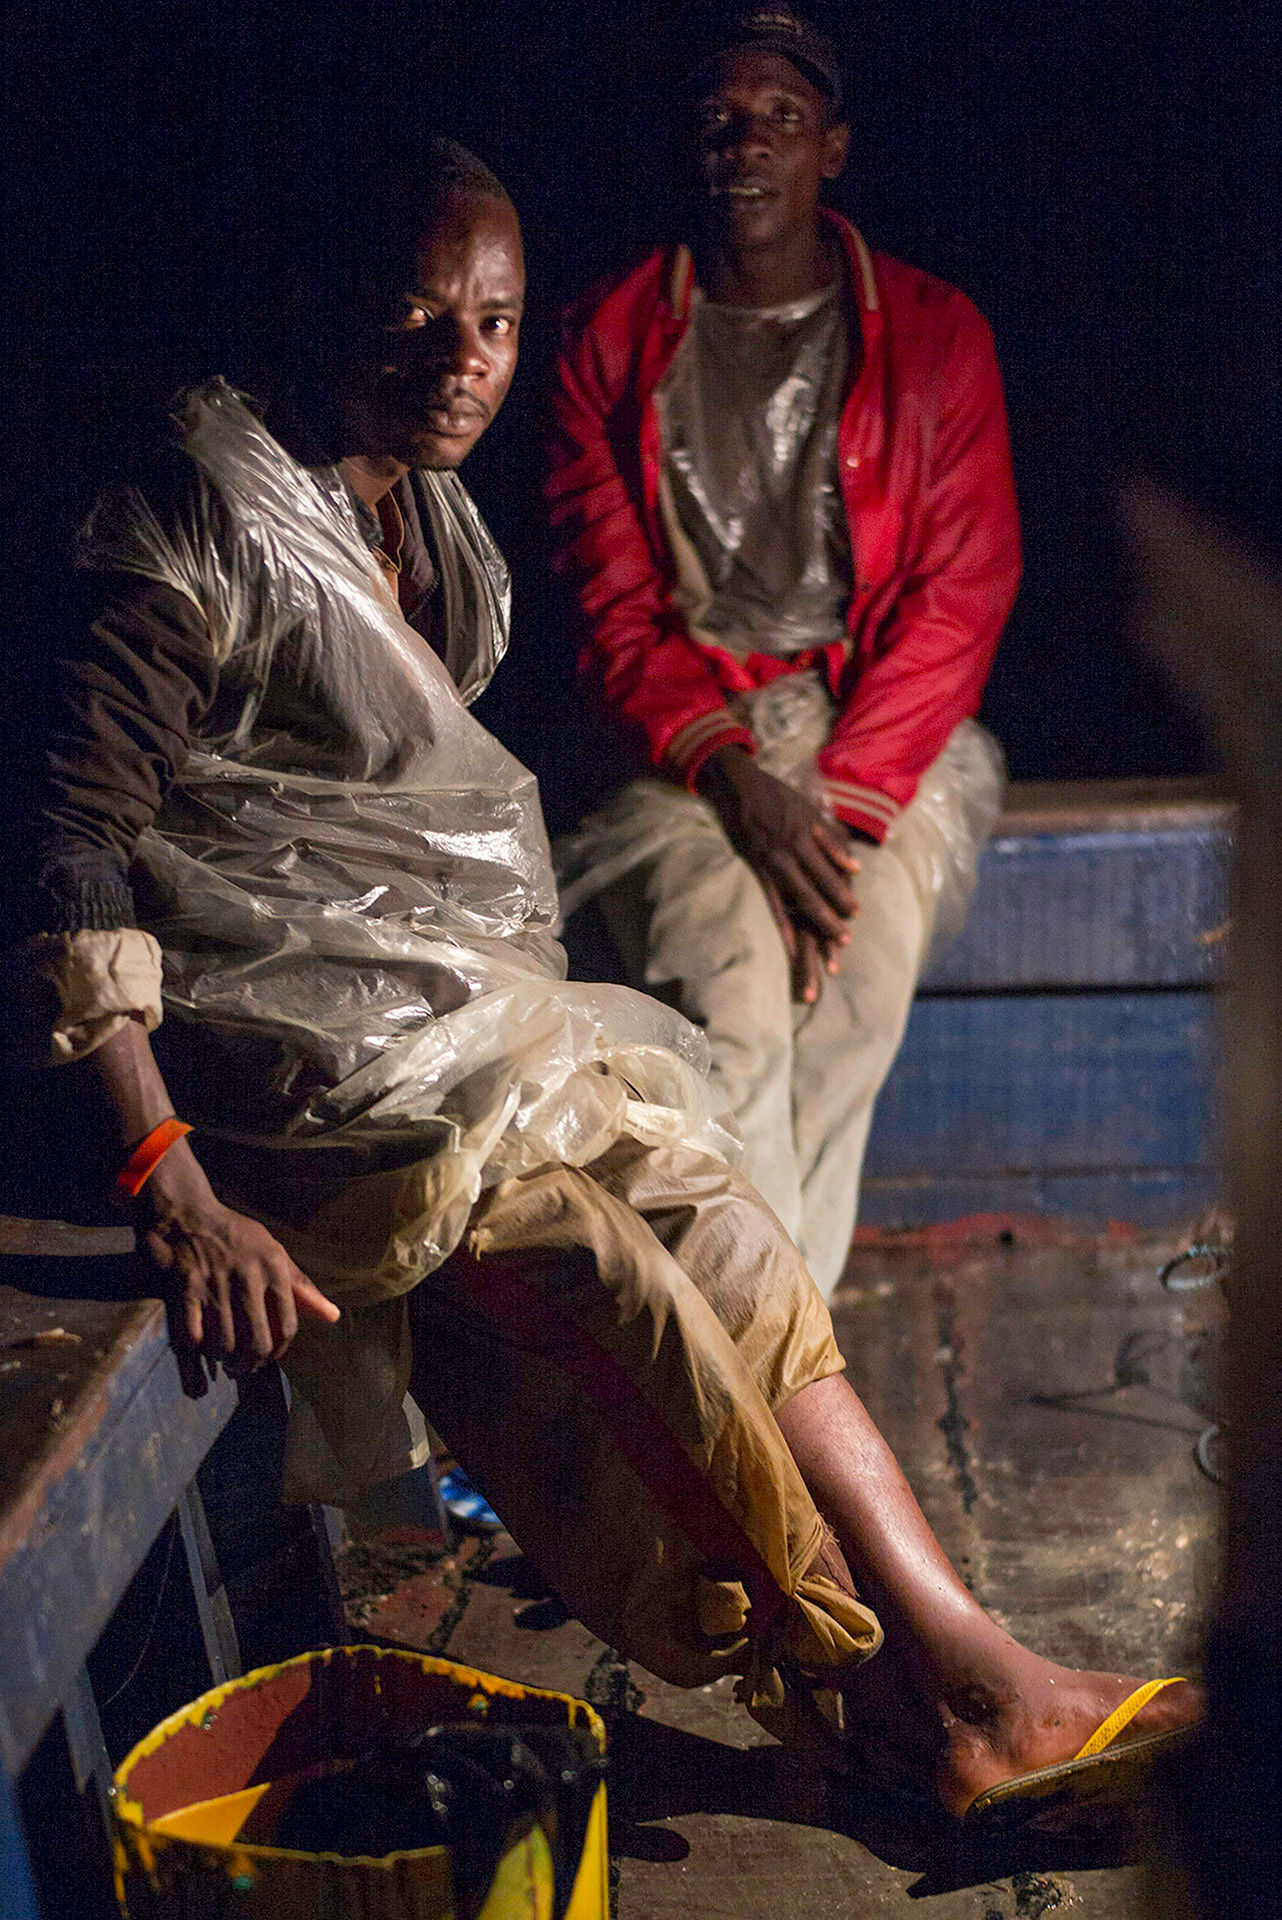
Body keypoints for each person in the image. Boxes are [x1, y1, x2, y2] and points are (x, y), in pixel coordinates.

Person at [12, 137, 1196, 1827]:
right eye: (417, 313)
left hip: (441, 1024)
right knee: (615, 1295)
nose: (460, 361)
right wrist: (167, 1177)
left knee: (722, 1227)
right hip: (277, 1067)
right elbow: (66, 853)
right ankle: (885, 1710)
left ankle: (966, 1656)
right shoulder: (194, 512)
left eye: (491, 322)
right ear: (323, 299)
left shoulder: (411, 507)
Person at [547, 6, 1021, 1297]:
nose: (744, 145)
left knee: (850, 1013)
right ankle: (783, 1398)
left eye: (780, 119)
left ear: (833, 149)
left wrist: (842, 815)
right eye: (717, 120)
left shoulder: (931, 334)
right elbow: (612, 605)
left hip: (871, 736)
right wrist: (737, 782)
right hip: (687, 745)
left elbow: (959, 588)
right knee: (733, 1020)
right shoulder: (609, 336)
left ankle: (773, 1383)